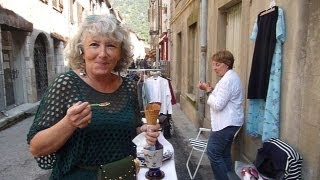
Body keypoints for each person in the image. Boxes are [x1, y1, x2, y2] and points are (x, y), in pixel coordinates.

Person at [27, 14, 160, 180]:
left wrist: (143, 130)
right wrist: (69, 123)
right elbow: (36, 147)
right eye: (94, 44)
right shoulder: (67, 84)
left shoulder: (128, 87)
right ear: (82, 51)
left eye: (111, 46)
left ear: (120, 53)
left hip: (122, 175)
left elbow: (128, 131)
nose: (103, 54)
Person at [198, 50, 244, 180]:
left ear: (227, 64)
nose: (214, 68)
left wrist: (208, 91)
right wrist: (210, 90)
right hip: (230, 123)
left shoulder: (228, 80)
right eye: (213, 64)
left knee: (213, 153)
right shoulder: (230, 77)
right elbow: (223, 98)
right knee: (224, 155)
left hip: (226, 124)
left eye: (217, 64)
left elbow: (218, 104)